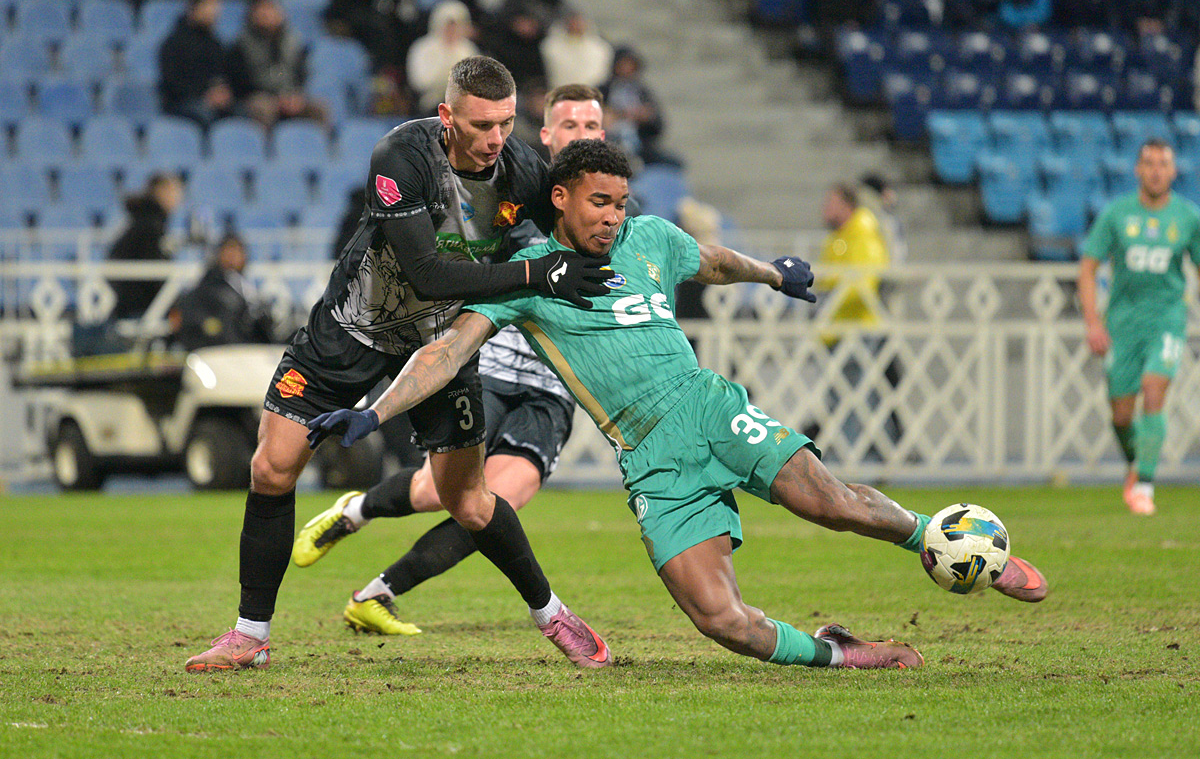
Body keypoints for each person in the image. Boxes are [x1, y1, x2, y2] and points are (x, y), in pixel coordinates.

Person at [307, 139, 1050, 671]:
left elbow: (713, 261)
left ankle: (941, 540)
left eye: (620, 204)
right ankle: (838, 651)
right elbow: (447, 351)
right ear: (560, 199)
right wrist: (376, 411)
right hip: (649, 458)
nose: (612, 217)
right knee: (722, 623)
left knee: (830, 504)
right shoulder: (526, 276)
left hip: (705, 407)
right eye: (599, 203)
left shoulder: (651, 238)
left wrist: (772, 274)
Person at [184, 57, 615, 673]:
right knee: (271, 469)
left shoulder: (521, 170)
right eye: (481, 125)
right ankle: (251, 635)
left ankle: (553, 616)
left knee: (469, 501)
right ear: (447, 117)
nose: (495, 138)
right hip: (351, 330)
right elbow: (427, 274)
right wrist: (532, 273)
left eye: (506, 123)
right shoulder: (402, 158)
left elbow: (574, 236)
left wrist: (615, 244)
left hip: (440, 348)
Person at [291, 84, 606, 636]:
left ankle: (376, 593)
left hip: (551, 386)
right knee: (438, 492)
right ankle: (355, 511)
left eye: (592, 126)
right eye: (570, 125)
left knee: (499, 501)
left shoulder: (611, 213)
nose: (582, 135)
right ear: (547, 134)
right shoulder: (519, 187)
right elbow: (445, 266)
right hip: (490, 359)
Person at [1078, 139, 1200, 516]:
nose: (1156, 171)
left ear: (1174, 171)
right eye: (1149, 163)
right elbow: (1088, 268)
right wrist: (1093, 323)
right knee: (1121, 415)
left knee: (1153, 388)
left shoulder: (1188, 217)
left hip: (1167, 320)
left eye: (1163, 163)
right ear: (1137, 170)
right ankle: (1137, 463)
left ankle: (1145, 485)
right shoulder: (1117, 214)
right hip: (1122, 325)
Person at [816, 183, 902, 462]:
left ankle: (858, 458)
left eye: (831, 203)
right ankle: (877, 455)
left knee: (860, 396)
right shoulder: (839, 236)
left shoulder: (862, 232)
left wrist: (830, 295)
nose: (825, 209)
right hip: (840, 327)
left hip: (859, 326)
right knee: (851, 395)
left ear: (847, 205)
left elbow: (865, 280)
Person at [226, 0, 329, 130]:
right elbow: (241, 78)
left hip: (290, 93)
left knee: (319, 109)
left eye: (271, 9)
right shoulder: (242, 44)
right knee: (263, 108)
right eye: (262, 10)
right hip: (259, 94)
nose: (267, 14)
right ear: (252, 15)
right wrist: (275, 97)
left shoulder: (293, 41)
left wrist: (295, 95)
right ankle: (263, 143)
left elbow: (301, 72)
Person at [173, 233, 274, 351]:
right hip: (222, 350)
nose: (232, 256)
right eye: (228, 250)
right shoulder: (208, 287)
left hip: (246, 350)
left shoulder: (244, 286)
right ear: (219, 254)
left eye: (237, 251)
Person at [108, 172, 184, 321]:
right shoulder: (150, 226)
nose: (177, 197)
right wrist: (173, 305)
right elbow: (156, 271)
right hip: (140, 307)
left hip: (133, 303)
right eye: (172, 191)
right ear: (159, 191)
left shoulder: (143, 220)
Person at [158, 0, 234, 129]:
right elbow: (172, 81)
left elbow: (222, 74)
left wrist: (222, 92)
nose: (212, 13)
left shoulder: (215, 43)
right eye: (208, 7)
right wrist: (204, 95)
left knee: (240, 113)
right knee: (205, 115)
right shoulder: (173, 43)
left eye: (215, 9)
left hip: (212, 99)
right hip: (181, 101)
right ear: (193, 9)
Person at [407, 0, 479, 117]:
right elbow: (420, 81)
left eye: (456, 25)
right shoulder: (423, 48)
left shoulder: (468, 49)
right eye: (448, 25)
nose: (451, 29)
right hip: (430, 106)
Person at [540, 11, 613, 89]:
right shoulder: (551, 46)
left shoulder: (600, 47)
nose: (575, 26)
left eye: (579, 23)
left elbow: (601, 75)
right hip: (560, 90)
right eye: (572, 23)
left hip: (590, 90)